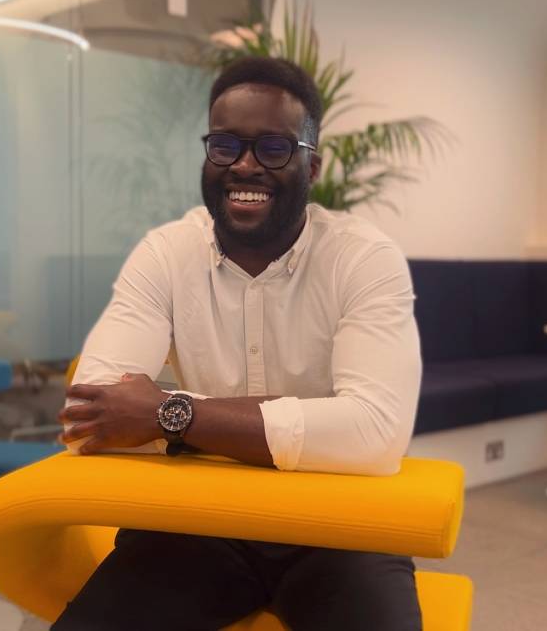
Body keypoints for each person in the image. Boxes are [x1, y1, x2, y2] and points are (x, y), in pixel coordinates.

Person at [53, 56, 423, 631]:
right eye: (225, 145)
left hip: (339, 528)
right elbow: (90, 415)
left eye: (273, 148)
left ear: (313, 165)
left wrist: (170, 415)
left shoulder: (363, 260)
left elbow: (376, 434)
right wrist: (313, 429)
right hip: (198, 525)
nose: (244, 165)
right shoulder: (167, 253)